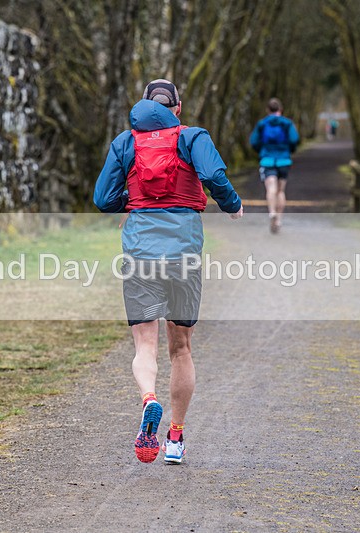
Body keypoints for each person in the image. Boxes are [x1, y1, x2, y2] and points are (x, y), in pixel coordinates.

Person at [94, 79, 243, 464]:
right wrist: (232, 205)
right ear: (177, 107)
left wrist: (133, 200)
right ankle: (175, 438)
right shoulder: (192, 137)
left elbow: (103, 199)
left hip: (140, 253)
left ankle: (149, 400)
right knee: (181, 348)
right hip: (183, 254)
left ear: (144, 105)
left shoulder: (125, 143)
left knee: (145, 346)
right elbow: (213, 177)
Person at [250, 98, 300, 233]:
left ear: (268, 110)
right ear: (281, 110)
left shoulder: (262, 124)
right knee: (281, 191)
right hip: (284, 160)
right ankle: (278, 220)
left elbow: (254, 141)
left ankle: (272, 212)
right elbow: (294, 139)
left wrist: (262, 151)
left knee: (271, 188)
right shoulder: (287, 123)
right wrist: (289, 150)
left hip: (267, 160)